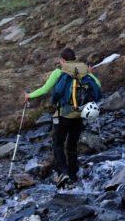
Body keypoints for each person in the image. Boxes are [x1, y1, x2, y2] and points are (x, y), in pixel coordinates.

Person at [24, 47, 100, 187]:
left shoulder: (59, 72)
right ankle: (74, 175)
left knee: (58, 144)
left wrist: (30, 95)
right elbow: (98, 86)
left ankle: (63, 173)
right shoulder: (83, 71)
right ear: (74, 58)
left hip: (63, 115)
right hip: (81, 114)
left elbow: (45, 89)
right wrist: (91, 73)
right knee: (72, 145)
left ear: (63, 60)